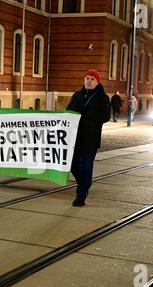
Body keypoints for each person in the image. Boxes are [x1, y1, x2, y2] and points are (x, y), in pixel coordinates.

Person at [66, 69, 111, 207]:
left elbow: (105, 117)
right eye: (87, 78)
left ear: (97, 82)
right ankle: (85, 182)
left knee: (86, 166)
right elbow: (67, 111)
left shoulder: (102, 98)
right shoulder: (77, 95)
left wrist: (89, 113)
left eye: (92, 79)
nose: (89, 81)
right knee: (72, 164)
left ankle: (81, 195)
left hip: (90, 139)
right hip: (75, 138)